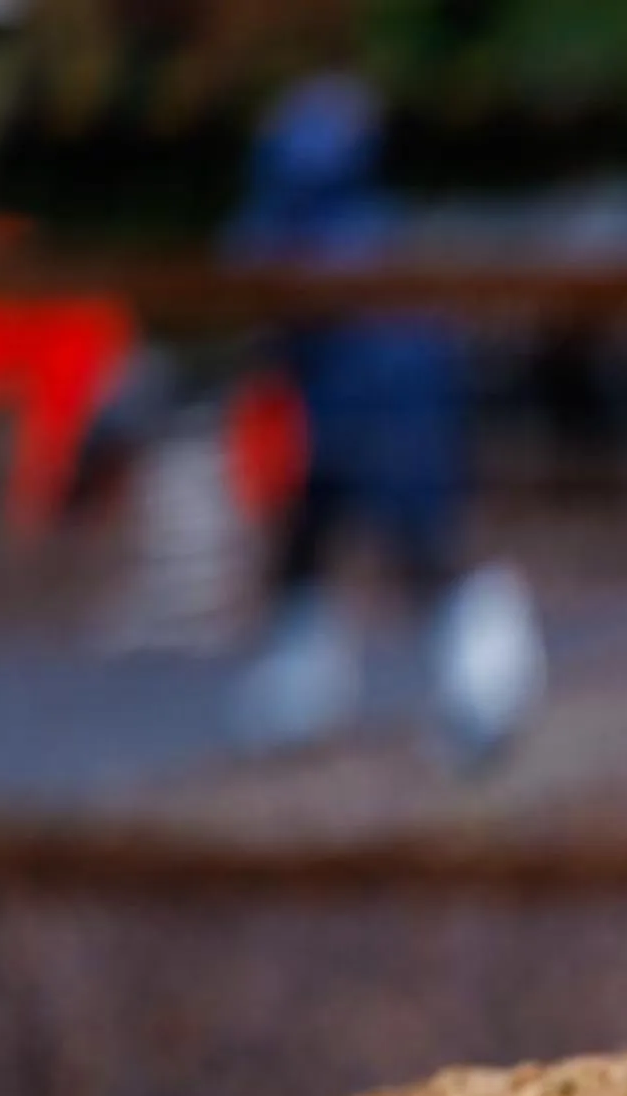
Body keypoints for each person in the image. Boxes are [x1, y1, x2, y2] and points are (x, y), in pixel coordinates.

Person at [224, 73, 541, 766]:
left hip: (358, 407)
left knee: (386, 553)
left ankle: (479, 679)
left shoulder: (294, 223)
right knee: (334, 545)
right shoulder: (366, 221)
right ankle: (320, 689)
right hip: (394, 404)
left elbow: (267, 318)